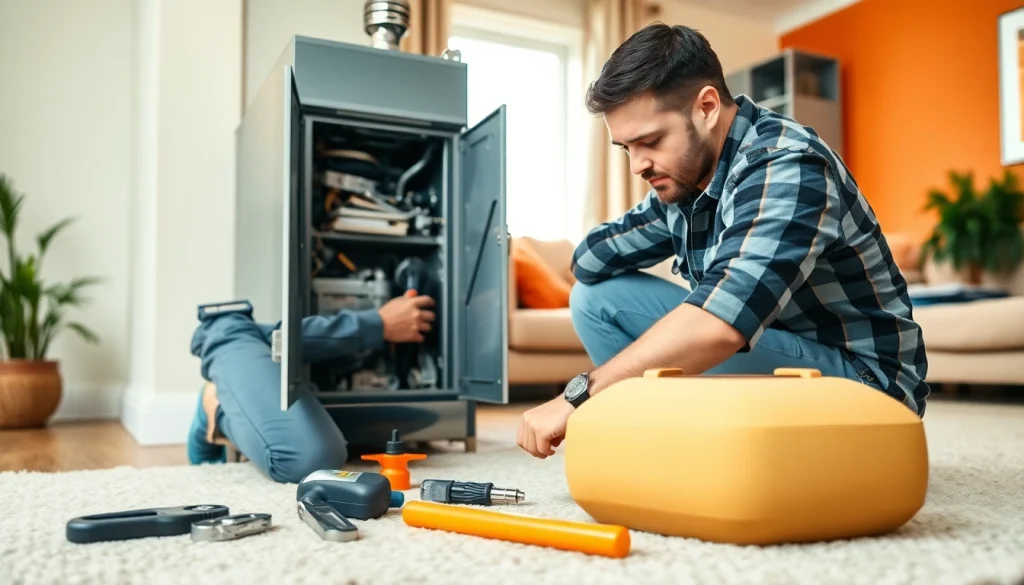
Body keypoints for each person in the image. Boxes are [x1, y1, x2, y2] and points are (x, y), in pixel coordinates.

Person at [516, 23, 929, 459]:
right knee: (593, 298)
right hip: (785, 360)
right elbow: (590, 262)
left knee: (708, 324)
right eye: (625, 148)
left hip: (868, 389)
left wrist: (578, 395)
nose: (637, 165)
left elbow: (721, 323)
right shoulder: (685, 178)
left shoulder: (786, 164)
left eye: (650, 141)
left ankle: (674, 441)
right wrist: (659, 205)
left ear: (707, 107)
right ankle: (668, 440)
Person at [186, 290, 436, 483]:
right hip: (230, 336)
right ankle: (219, 406)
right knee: (308, 458)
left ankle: (246, 380)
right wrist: (377, 324)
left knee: (410, 421)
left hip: (257, 339)